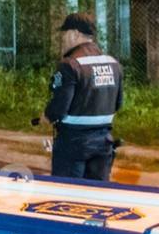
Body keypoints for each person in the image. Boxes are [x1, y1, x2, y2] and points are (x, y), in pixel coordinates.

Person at [40, 12, 123, 181]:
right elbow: (118, 104)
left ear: (75, 34)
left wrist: (46, 116)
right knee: (97, 193)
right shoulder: (113, 64)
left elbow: (60, 107)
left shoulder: (70, 65)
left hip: (73, 144)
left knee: (67, 192)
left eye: (65, 34)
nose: (63, 39)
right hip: (103, 143)